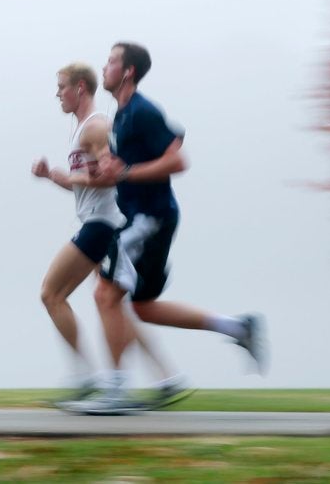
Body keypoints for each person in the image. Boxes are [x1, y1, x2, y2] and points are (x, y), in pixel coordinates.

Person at [79, 42, 267, 413]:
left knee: (104, 294)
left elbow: (178, 159)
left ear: (128, 71)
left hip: (148, 219)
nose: (104, 67)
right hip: (146, 217)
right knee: (143, 307)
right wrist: (108, 170)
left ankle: (116, 391)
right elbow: (164, 144)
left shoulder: (142, 110)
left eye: (111, 62)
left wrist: (129, 172)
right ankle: (237, 328)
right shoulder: (124, 115)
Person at [32, 62, 181, 404]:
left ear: (80, 88)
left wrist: (65, 177)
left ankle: (88, 378)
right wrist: (55, 178)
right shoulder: (82, 130)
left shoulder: (96, 127)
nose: (57, 93)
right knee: (115, 305)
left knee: (51, 293)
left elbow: (112, 176)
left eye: (61, 86)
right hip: (99, 220)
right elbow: (87, 185)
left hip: (103, 224)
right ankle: (166, 377)